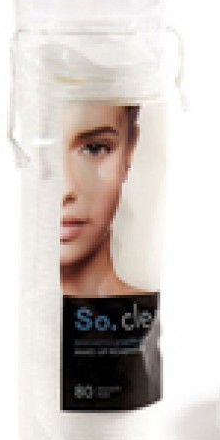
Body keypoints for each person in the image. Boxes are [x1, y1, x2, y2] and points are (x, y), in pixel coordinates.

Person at [60, 103, 148, 297]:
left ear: (129, 150)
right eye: (37, 152)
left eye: (94, 148)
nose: (64, 190)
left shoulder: (150, 310)